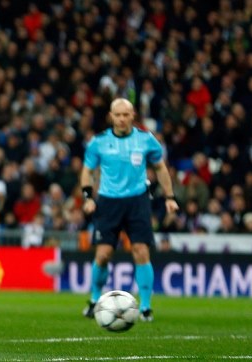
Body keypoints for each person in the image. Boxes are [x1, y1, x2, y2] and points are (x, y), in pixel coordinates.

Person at [80, 98, 179, 322]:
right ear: (111, 116)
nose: (122, 119)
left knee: (141, 251)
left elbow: (160, 167)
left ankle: (145, 307)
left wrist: (170, 196)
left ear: (133, 115)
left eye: (126, 115)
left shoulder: (146, 140)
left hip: (137, 201)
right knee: (103, 255)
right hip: (108, 202)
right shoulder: (99, 142)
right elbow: (87, 171)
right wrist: (88, 196)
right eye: (118, 115)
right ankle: (95, 300)